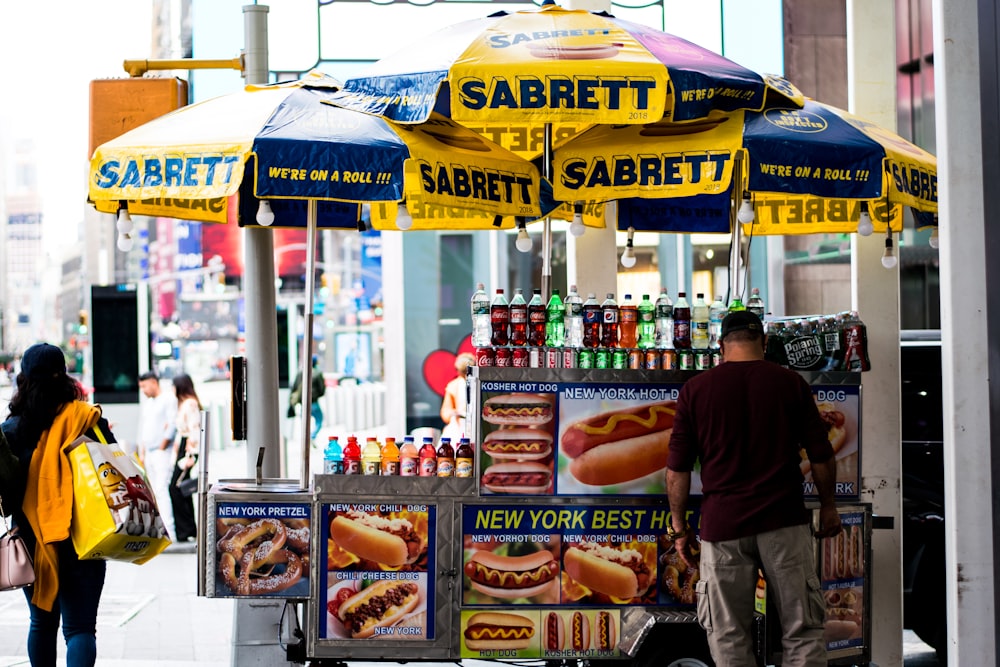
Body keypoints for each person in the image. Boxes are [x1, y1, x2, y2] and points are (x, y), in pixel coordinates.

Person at [665, 311, 842, 667]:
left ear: (720, 346)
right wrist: (828, 506)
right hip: (784, 521)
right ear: (763, 342)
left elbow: (677, 471)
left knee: (728, 634)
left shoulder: (696, 391)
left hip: (723, 526)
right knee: (802, 629)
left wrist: (680, 528)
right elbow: (821, 455)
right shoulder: (790, 383)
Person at [1, 343, 114, 666]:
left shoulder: (12, 430)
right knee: (79, 629)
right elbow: (114, 472)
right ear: (64, 376)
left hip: (30, 539)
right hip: (84, 537)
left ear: (24, 379)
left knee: (41, 623)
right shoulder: (88, 419)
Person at [136, 370, 177, 541]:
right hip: (150, 453)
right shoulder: (149, 404)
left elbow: (172, 424)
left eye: (145, 386)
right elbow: (143, 428)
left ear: (153, 382)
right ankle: (159, 529)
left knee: (161, 489)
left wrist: (162, 447)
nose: (144, 390)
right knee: (153, 492)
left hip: (161, 452)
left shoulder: (168, 399)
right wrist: (142, 452)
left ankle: (170, 531)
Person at [169, 373, 201, 543]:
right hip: (183, 448)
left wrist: (190, 455)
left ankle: (185, 530)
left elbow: (194, 429)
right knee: (181, 489)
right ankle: (188, 529)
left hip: (187, 449)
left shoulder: (189, 404)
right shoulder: (184, 404)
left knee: (175, 487)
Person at [287, 356, 325, 444]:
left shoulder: (300, 372)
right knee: (319, 420)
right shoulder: (317, 373)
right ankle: (312, 436)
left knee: (304, 423)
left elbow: (294, 387)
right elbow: (322, 389)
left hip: (303, 403)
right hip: (313, 402)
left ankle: (307, 437)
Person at [440, 352, 475, 441]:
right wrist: (453, 414)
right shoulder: (453, 386)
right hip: (460, 426)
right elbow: (445, 412)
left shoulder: (481, 383)